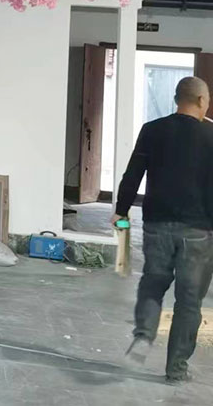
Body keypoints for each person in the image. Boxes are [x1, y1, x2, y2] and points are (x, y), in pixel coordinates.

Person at [113, 75, 213, 383]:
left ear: (176, 99)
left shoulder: (152, 130)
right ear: (201, 101)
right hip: (199, 231)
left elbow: (133, 174)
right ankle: (176, 368)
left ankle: (144, 335)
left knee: (153, 284)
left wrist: (121, 211)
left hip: (157, 224)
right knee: (189, 300)